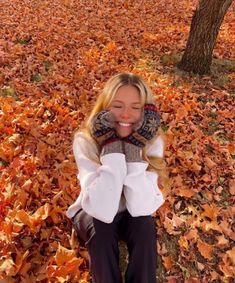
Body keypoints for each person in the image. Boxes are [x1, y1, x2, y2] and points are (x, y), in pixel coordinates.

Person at [66, 72, 169, 283]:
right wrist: (111, 149)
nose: (125, 114)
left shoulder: (152, 142)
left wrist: (132, 151)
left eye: (136, 107)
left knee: (145, 228)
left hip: (130, 213)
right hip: (92, 211)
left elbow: (141, 208)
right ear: (104, 107)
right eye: (117, 105)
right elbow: (101, 209)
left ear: (146, 113)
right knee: (102, 228)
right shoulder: (85, 141)